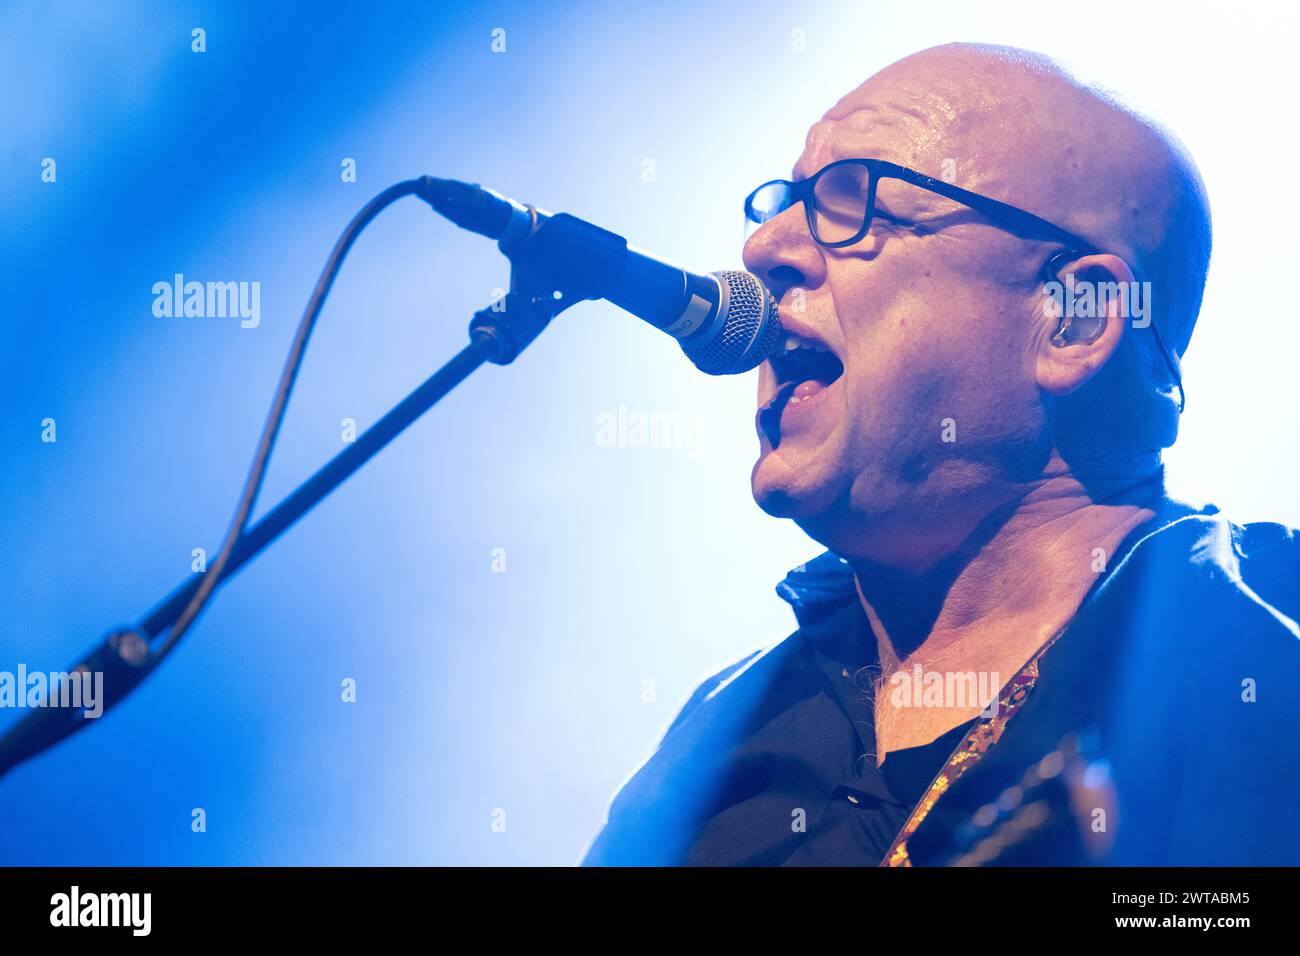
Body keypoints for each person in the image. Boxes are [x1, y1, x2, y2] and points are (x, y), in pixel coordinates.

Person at [582, 43, 1300, 866]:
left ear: (1075, 320)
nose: (766, 247)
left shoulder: (1263, 660)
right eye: (785, 201)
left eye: (853, 203)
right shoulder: (713, 745)